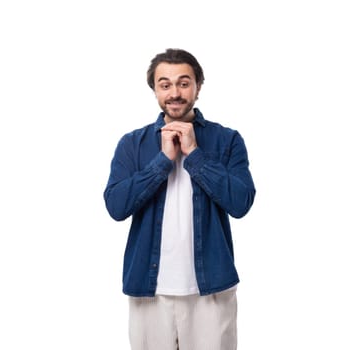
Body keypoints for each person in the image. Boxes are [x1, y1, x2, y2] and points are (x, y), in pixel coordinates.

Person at [103, 48, 256, 350]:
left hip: (211, 291)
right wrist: (162, 161)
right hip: (149, 292)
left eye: (184, 83)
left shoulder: (227, 140)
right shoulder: (132, 144)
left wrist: (195, 155)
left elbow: (241, 203)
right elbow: (116, 206)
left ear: (198, 86)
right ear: (155, 89)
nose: (175, 92)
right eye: (165, 84)